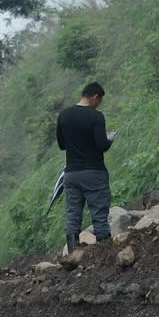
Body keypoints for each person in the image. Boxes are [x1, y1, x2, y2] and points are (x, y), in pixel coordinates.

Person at [56, 82, 117, 251]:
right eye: (100, 101)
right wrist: (109, 140)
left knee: (73, 214)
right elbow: (102, 145)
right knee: (99, 213)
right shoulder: (96, 117)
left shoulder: (64, 115)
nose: (99, 105)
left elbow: (62, 145)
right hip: (94, 173)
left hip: (71, 174)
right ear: (95, 97)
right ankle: (105, 253)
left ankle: (72, 253)